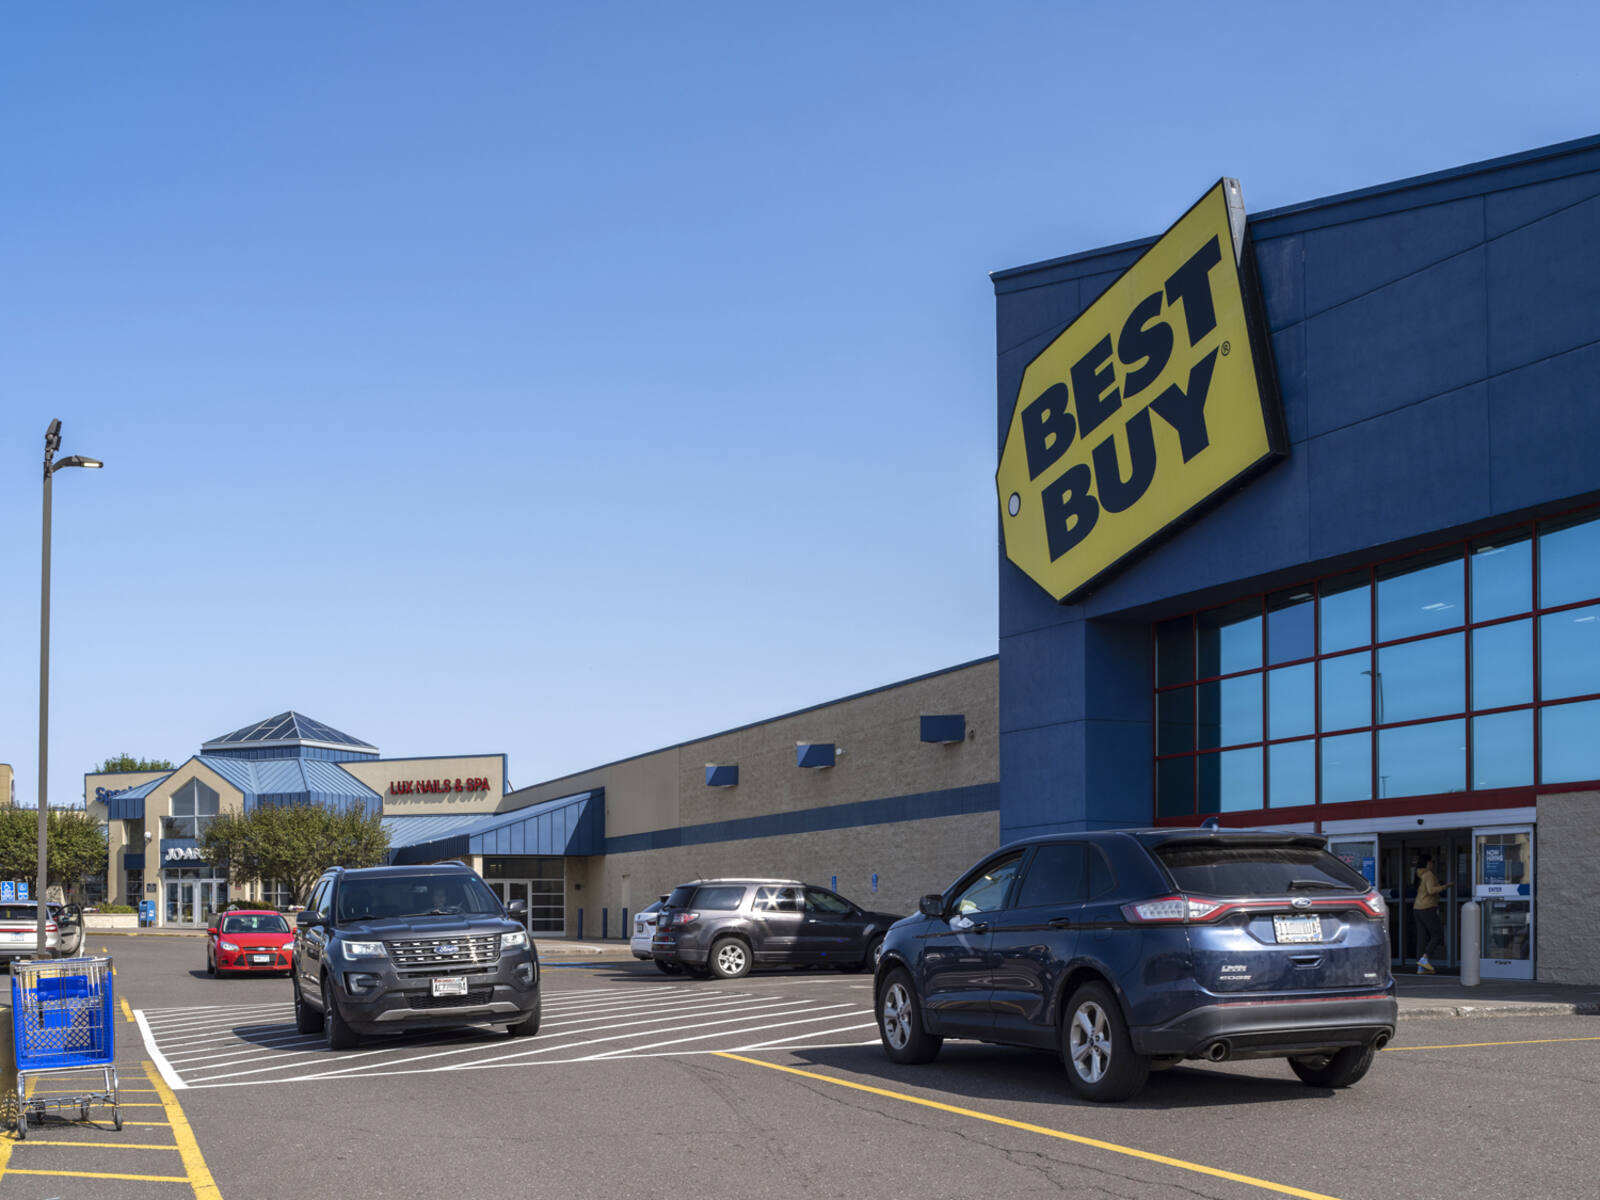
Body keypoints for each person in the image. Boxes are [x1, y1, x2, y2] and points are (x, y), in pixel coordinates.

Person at [1413, 852, 1450, 973]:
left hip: (1417, 908)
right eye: (1432, 862)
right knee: (1437, 934)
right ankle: (1424, 959)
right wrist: (1446, 886)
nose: (1433, 864)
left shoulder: (1419, 874)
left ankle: (1420, 967)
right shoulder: (1428, 874)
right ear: (1428, 863)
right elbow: (1431, 890)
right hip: (1427, 908)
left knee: (1422, 937)